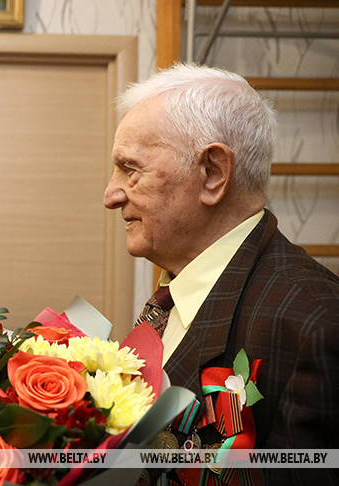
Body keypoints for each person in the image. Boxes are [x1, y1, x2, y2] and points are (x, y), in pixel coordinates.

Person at [104, 63, 339, 484]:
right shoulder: (174, 290)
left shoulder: (316, 323)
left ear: (213, 172)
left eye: (130, 169)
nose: (111, 194)